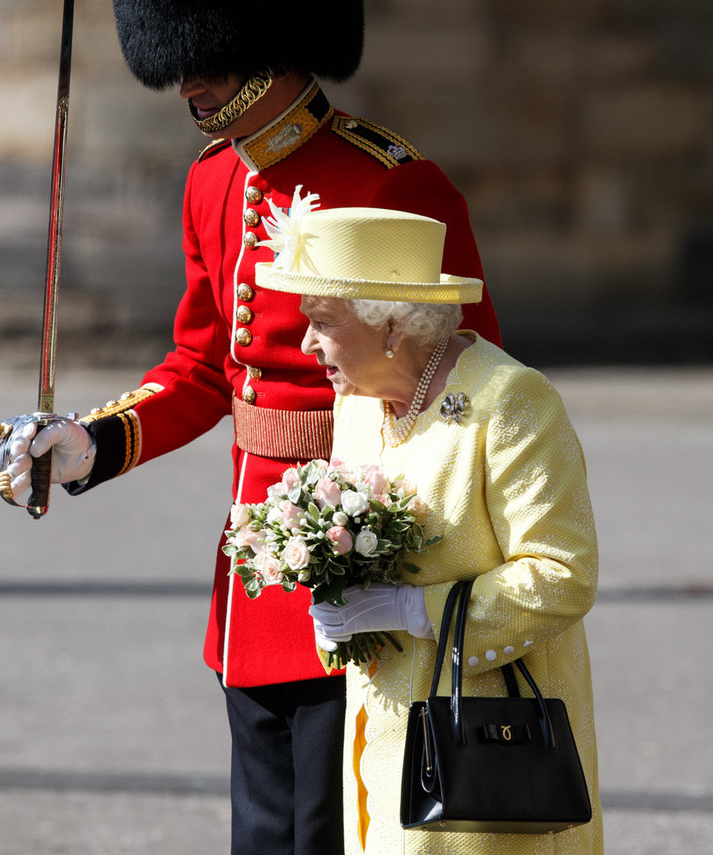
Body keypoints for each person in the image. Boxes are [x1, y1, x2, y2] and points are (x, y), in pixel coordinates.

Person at [0, 0, 501, 854]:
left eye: (209, 62)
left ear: (272, 40)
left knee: (336, 832)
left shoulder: (391, 182)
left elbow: (473, 389)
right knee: (263, 833)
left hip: (367, 565)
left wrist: (406, 558)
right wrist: (88, 442)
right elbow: (201, 367)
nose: (193, 86)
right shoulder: (213, 181)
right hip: (253, 581)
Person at [254, 206, 603, 855]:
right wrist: (334, 599)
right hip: (381, 732)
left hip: (489, 744)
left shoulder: (509, 403)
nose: (306, 344)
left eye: (322, 322)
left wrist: (416, 610)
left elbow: (562, 574)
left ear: (391, 324)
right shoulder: (355, 402)